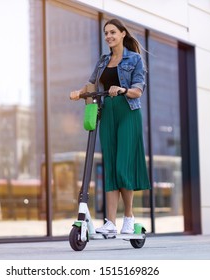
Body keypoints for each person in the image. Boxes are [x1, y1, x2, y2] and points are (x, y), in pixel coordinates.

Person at [70, 18, 151, 235]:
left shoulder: (134, 59)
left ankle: (129, 217)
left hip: (128, 113)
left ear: (123, 34)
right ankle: (111, 223)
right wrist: (79, 92)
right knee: (110, 168)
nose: (109, 36)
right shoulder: (103, 60)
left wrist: (122, 90)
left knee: (123, 165)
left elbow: (138, 90)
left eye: (113, 32)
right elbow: (92, 84)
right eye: (106, 33)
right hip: (107, 113)